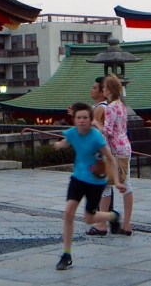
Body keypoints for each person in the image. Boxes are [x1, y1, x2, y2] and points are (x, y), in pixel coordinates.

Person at [52, 101, 127, 271]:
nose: (82, 120)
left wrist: (116, 181)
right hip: (78, 178)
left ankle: (113, 217)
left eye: (85, 117)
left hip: (95, 181)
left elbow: (111, 159)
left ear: (90, 119)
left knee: (89, 219)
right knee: (68, 212)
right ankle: (66, 254)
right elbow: (66, 142)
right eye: (79, 117)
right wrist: (57, 145)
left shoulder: (95, 136)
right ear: (75, 119)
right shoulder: (72, 133)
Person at [97, 75, 134, 235]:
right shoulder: (122, 106)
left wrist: (96, 123)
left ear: (110, 90)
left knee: (105, 186)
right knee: (126, 185)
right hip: (125, 147)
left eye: (104, 87)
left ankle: (101, 224)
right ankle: (126, 224)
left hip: (114, 150)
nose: (103, 90)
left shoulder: (111, 107)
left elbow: (108, 132)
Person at [87, 76, 112, 236]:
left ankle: (101, 223)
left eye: (95, 88)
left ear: (102, 92)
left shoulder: (99, 108)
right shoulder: (109, 107)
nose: (91, 89)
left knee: (102, 188)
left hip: (99, 151)